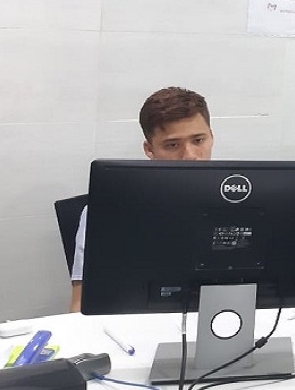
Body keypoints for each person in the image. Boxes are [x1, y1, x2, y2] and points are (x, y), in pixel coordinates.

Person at [68, 87, 214, 312]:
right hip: (137, 322)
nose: (190, 156)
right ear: (149, 149)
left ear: (211, 137)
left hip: (223, 320)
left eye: (198, 140)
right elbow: (81, 303)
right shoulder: (108, 210)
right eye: (172, 145)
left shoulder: (241, 201)